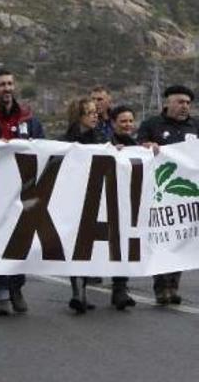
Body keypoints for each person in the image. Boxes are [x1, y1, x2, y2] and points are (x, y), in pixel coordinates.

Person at [0, 67, 44, 316]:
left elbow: (43, 148)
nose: (7, 88)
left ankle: (17, 288)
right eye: (2, 84)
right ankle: (0, 292)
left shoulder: (29, 119)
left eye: (10, 84)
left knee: (21, 240)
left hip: (24, 190)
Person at [137, 85, 198, 305]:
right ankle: (160, 286)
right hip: (159, 191)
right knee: (161, 237)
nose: (185, 106)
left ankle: (173, 285)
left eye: (188, 103)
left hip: (186, 194)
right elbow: (137, 148)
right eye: (180, 102)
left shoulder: (195, 126)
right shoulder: (152, 125)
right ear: (168, 103)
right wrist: (147, 146)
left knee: (182, 238)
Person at [61, 97, 108, 314]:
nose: (95, 115)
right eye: (89, 112)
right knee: (76, 245)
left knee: (90, 246)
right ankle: (76, 290)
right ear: (79, 116)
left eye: (95, 112)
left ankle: (84, 290)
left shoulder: (100, 138)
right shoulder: (66, 141)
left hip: (95, 195)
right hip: (73, 198)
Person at [107, 105, 139, 310]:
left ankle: (120, 289)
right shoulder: (104, 143)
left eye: (130, 121)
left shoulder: (137, 146)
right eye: (122, 121)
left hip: (126, 203)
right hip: (105, 200)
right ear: (113, 123)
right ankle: (81, 290)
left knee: (122, 246)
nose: (127, 125)